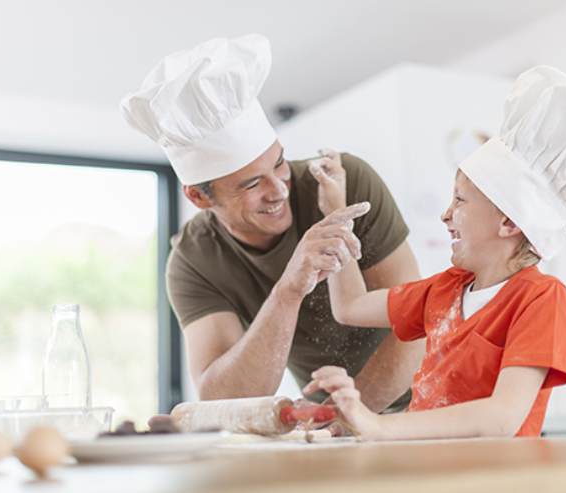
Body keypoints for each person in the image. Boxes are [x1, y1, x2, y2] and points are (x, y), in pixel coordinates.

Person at [304, 66, 566, 438]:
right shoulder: (446, 289)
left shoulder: (541, 298)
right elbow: (350, 306)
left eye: (460, 200)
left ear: (509, 223)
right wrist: (335, 215)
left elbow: (501, 419)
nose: (445, 214)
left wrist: (377, 424)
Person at [120, 34, 423, 411]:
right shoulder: (194, 260)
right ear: (199, 197)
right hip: (335, 420)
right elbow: (222, 398)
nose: (278, 189)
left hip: (428, 401)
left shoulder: (345, 182)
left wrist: (348, 415)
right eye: (251, 183)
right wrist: (288, 290)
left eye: (279, 162)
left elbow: (416, 324)